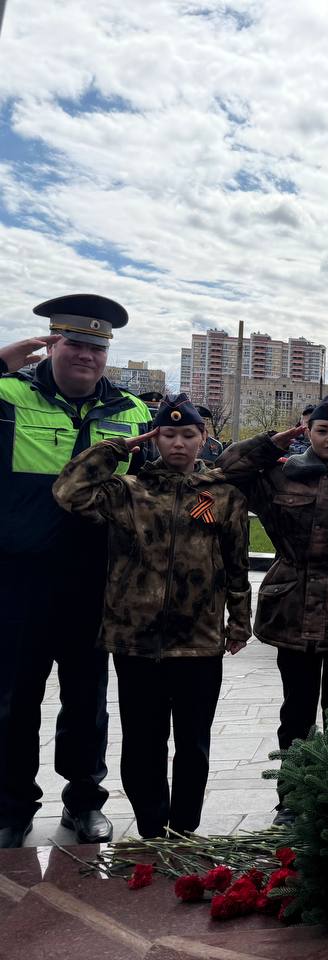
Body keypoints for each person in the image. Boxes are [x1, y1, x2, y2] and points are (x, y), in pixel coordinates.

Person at [52, 394, 251, 838]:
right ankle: (150, 828)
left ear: (203, 438)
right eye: (168, 434)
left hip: (199, 640)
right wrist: (116, 448)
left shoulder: (223, 494)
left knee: (193, 742)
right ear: (154, 439)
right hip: (136, 640)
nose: (178, 443)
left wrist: (239, 621)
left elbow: (236, 563)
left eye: (188, 435)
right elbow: (69, 492)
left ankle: (184, 828)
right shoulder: (128, 491)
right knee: (143, 741)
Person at [0, 296, 154, 848]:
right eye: (75, 344)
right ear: (51, 344)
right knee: (14, 698)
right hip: (20, 579)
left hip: (96, 580)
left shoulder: (132, 410)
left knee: (87, 699)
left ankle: (84, 801)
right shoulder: (9, 394)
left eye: (97, 346)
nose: (86, 355)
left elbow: (159, 487)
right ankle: (11, 807)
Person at [216, 396, 328, 824]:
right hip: (293, 606)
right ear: (307, 432)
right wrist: (270, 443)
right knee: (296, 709)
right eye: (322, 430)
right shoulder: (283, 474)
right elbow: (227, 469)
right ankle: (292, 798)